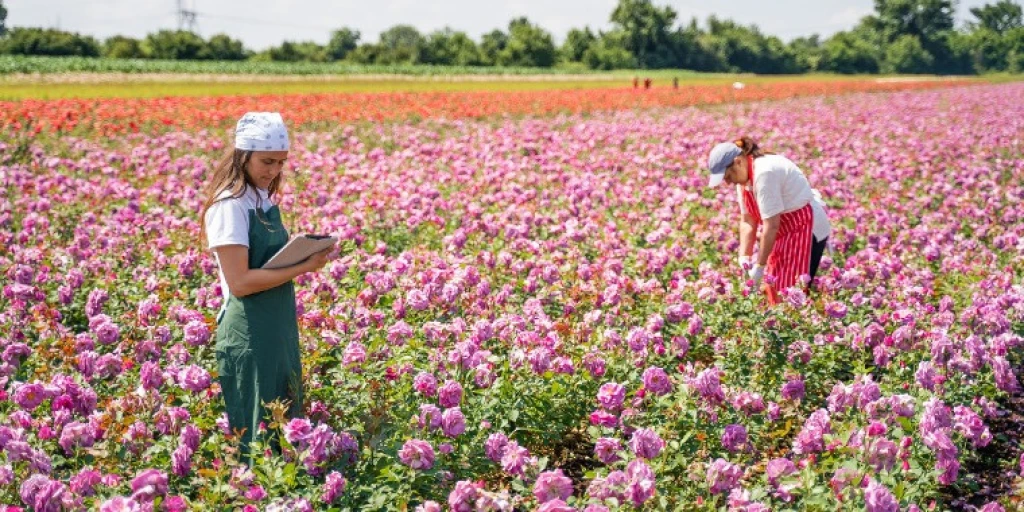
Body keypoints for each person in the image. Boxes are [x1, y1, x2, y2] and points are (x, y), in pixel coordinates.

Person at [199, 112, 330, 460]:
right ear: (243, 156)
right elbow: (240, 282)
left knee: (284, 424)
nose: (273, 170)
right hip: (248, 330)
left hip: (276, 325)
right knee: (256, 434)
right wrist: (303, 265)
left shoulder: (261, 199)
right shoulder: (230, 205)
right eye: (266, 161)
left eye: (280, 163)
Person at [706, 137, 830, 305]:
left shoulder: (764, 173)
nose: (728, 182)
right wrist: (744, 257)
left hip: (805, 229)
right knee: (775, 286)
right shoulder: (743, 179)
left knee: (790, 294)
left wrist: (759, 267)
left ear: (738, 162)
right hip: (783, 231)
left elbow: (771, 226)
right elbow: (748, 220)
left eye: (728, 176)